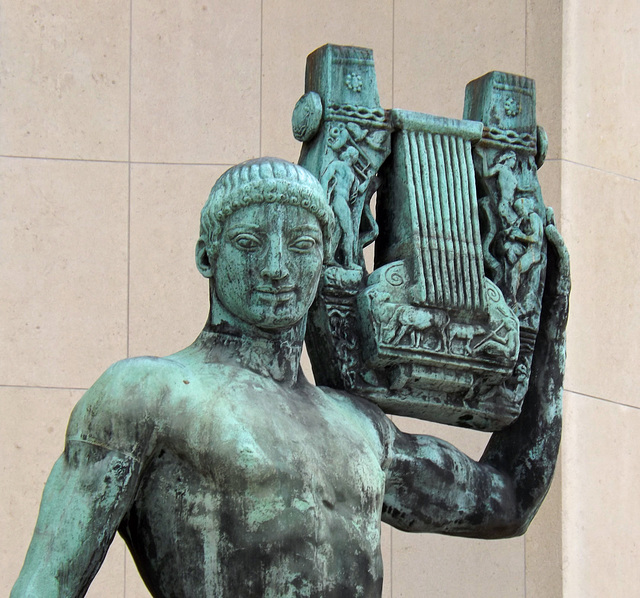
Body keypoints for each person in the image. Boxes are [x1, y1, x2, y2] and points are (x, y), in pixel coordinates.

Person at [11, 157, 569, 598]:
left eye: (302, 245)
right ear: (207, 257)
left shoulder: (362, 428)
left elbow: (507, 500)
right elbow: (49, 580)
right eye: (248, 244)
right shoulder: (145, 395)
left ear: (324, 258)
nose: (277, 267)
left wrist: (549, 334)